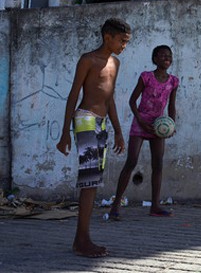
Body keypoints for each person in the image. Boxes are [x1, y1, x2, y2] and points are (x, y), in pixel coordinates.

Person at [56, 18, 131, 257]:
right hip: (85, 119)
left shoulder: (115, 63)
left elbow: (110, 99)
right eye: (121, 40)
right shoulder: (88, 60)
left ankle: (82, 239)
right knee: (89, 181)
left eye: (126, 42)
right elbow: (73, 95)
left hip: (102, 123)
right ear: (107, 37)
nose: (123, 46)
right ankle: (82, 239)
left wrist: (118, 130)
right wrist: (64, 134)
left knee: (94, 181)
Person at [109, 45, 179, 219]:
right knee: (131, 161)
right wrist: (141, 121)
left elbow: (171, 106)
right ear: (154, 59)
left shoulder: (173, 81)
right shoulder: (146, 77)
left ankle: (155, 206)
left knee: (158, 164)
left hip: (159, 126)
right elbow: (133, 101)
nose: (166, 58)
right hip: (141, 123)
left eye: (169, 56)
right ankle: (115, 206)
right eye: (162, 55)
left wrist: (171, 125)